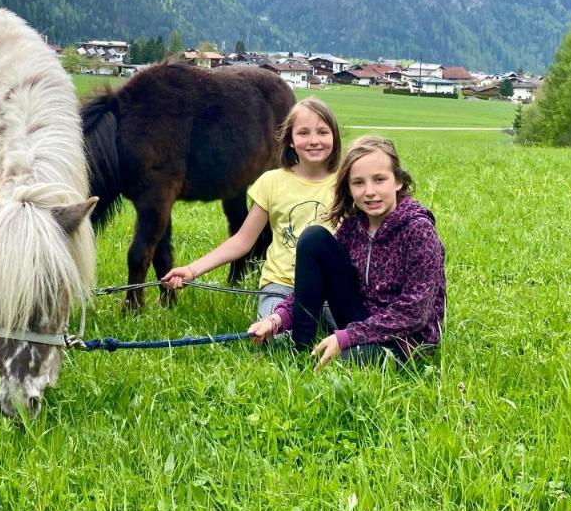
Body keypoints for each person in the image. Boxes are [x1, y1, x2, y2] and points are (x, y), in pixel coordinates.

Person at [249, 134, 445, 367]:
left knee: (334, 364)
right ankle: (300, 346)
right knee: (314, 239)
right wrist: (278, 318)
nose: (369, 191)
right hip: (361, 319)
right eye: (359, 183)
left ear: (398, 181)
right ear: (349, 189)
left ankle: (331, 352)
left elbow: (415, 313)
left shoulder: (418, 231)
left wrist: (347, 337)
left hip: (406, 339)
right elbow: (321, 276)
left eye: (379, 180)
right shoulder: (355, 224)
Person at [161, 97, 341, 323]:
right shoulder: (271, 182)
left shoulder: (348, 182)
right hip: (282, 286)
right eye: (303, 133)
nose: (314, 140)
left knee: (355, 335)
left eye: (323, 132)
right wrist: (192, 269)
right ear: (291, 140)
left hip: (333, 286)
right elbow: (243, 240)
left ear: (334, 136)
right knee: (275, 339)